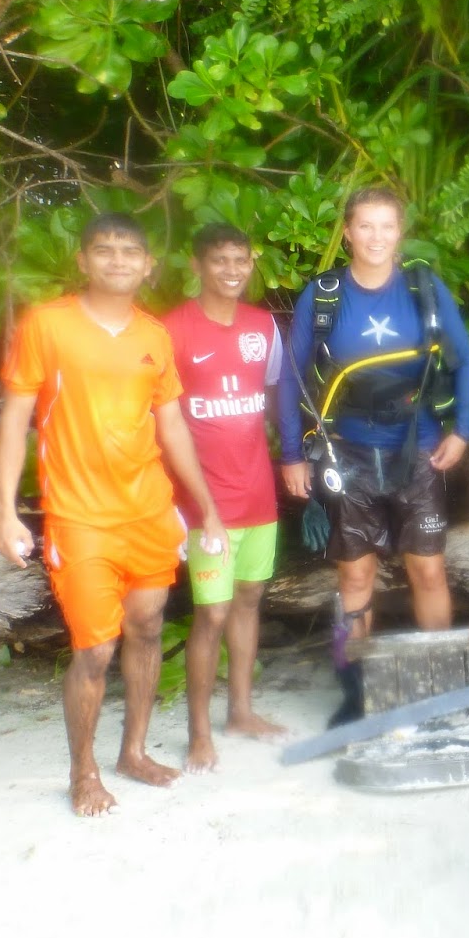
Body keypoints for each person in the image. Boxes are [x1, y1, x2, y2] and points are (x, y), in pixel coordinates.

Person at [0, 213, 229, 817]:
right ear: (83, 260)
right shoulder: (49, 325)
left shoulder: (154, 335)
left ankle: (134, 752)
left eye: (131, 251)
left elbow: (171, 425)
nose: (118, 259)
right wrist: (1, 512)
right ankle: (84, 771)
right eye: (105, 250)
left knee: (147, 627)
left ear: (149, 266)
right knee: (94, 650)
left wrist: (206, 507)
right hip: (81, 517)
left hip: (148, 510)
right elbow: (16, 420)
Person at [278, 188, 469, 725]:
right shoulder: (322, 296)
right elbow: (289, 378)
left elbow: (466, 363)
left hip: (418, 450)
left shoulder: (423, 288)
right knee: (354, 580)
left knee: (429, 572)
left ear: (400, 232)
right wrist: (291, 454)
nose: (375, 237)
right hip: (347, 454)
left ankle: (439, 683)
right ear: (347, 231)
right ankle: (355, 692)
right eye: (365, 226)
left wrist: (462, 431)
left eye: (386, 227)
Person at [163, 223, 287, 771]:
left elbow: (276, 399)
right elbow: (161, 423)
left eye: (241, 259)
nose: (232, 270)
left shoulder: (264, 327)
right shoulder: (172, 330)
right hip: (204, 505)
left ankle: (240, 710)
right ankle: (197, 734)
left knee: (249, 599)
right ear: (196, 266)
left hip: (258, 494)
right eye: (219, 260)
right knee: (209, 616)